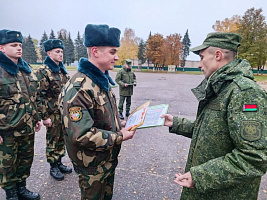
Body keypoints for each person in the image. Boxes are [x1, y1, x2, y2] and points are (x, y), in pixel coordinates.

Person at [161, 32, 267, 200]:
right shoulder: (222, 86)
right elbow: (213, 131)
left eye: (202, 57)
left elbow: (254, 158)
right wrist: (176, 123)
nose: (199, 64)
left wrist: (200, 176)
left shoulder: (245, 93)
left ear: (217, 55)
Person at [58, 24, 136, 200]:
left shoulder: (99, 80)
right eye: (112, 52)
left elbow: (99, 116)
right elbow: (82, 134)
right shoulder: (79, 88)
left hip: (105, 160)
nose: (117, 57)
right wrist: (120, 136)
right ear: (95, 51)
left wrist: (119, 123)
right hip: (92, 166)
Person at [0, 29, 42, 200]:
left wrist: (37, 118)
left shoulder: (26, 69)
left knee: (25, 160)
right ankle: (11, 195)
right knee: (7, 165)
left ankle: (21, 189)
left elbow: (32, 97)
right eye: (14, 45)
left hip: (27, 126)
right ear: (1, 48)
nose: (19, 48)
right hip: (7, 128)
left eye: (20, 45)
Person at [35, 39, 72, 181]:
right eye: (57, 51)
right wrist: (44, 116)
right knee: (53, 139)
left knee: (62, 138)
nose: (60, 54)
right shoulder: (44, 71)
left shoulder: (62, 71)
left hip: (63, 112)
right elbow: (39, 96)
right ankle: (53, 166)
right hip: (52, 113)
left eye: (62, 51)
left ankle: (59, 162)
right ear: (49, 53)